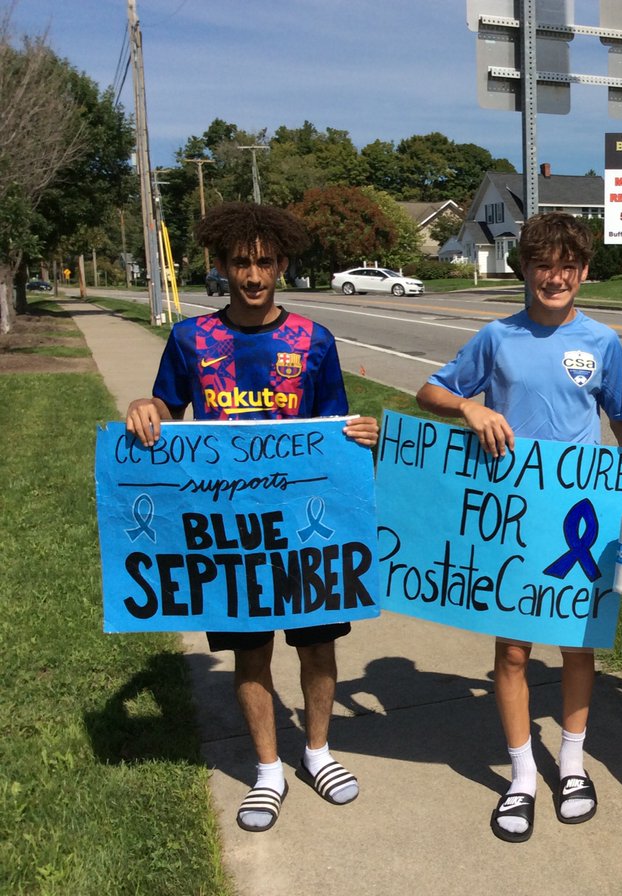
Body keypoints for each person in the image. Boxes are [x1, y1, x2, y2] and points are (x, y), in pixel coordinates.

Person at [125, 202, 380, 833]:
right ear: (221, 265)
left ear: (283, 264)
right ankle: (268, 770)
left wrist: (362, 434)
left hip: (304, 526)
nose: (254, 274)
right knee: (250, 653)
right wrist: (148, 405)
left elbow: (332, 430)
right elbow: (167, 400)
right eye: (241, 261)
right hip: (228, 531)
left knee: (318, 647)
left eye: (265, 261)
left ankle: (317, 752)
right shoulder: (193, 339)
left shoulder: (312, 342)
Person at [416, 211, 622, 843]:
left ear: (583, 273)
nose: (554, 277)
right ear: (523, 269)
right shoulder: (497, 338)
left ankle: (574, 763)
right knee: (511, 650)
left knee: (577, 645)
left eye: (566, 267)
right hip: (512, 511)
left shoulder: (604, 343)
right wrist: (470, 407)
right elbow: (429, 391)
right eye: (541, 265)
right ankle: (523, 774)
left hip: (578, 511)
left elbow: (620, 423)